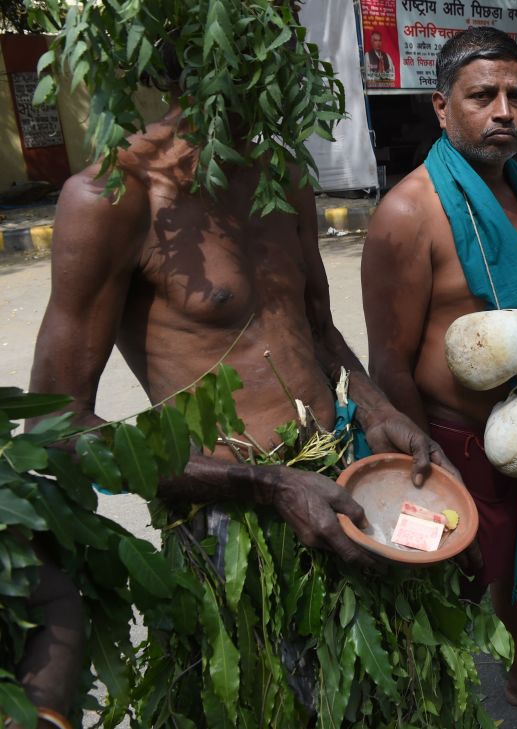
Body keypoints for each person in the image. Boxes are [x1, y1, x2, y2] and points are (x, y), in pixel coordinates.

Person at [27, 28, 453, 726]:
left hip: (339, 485)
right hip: (228, 524)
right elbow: (54, 424)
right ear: (195, 50)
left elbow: (317, 326)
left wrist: (375, 407)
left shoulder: (282, 174)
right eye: (263, 37)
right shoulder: (117, 194)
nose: (289, 57)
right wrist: (270, 483)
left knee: (380, 703)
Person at [360, 27, 517, 715]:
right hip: (452, 438)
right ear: (440, 107)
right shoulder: (409, 213)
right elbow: (387, 362)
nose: (503, 112)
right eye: (482, 95)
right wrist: (428, 458)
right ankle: (427, 702)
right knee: (443, 583)